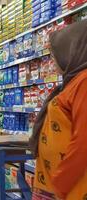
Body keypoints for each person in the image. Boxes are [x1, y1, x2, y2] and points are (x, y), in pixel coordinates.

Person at [30, 20, 87, 200]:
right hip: (54, 186)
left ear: (71, 52)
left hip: (71, 188)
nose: (53, 65)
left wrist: (61, 182)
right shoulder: (73, 82)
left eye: (54, 58)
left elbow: (84, 140)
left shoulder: (84, 83)